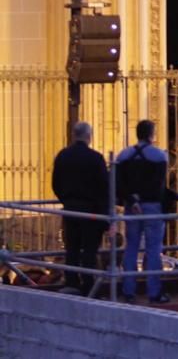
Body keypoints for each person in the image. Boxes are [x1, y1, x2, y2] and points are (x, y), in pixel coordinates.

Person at [51, 122, 109, 295]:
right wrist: (103, 212)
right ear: (89, 136)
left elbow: (55, 183)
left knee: (72, 248)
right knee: (89, 249)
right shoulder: (95, 158)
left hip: (71, 208)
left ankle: (72, 281)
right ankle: (89, 283)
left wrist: (67, 200)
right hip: (91, 211)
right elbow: (103, 187)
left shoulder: (63, 156)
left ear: (73, 135)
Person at [116, 119, 169, 303]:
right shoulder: (159, 156)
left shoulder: (124, 155)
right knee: (154, 249)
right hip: (152, 206)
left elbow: (119, 184)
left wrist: (133, 199)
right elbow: (159, 185)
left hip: (132, 207)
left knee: (131, 247)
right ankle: (154, 292)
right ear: (151, 134)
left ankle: (128, 290)